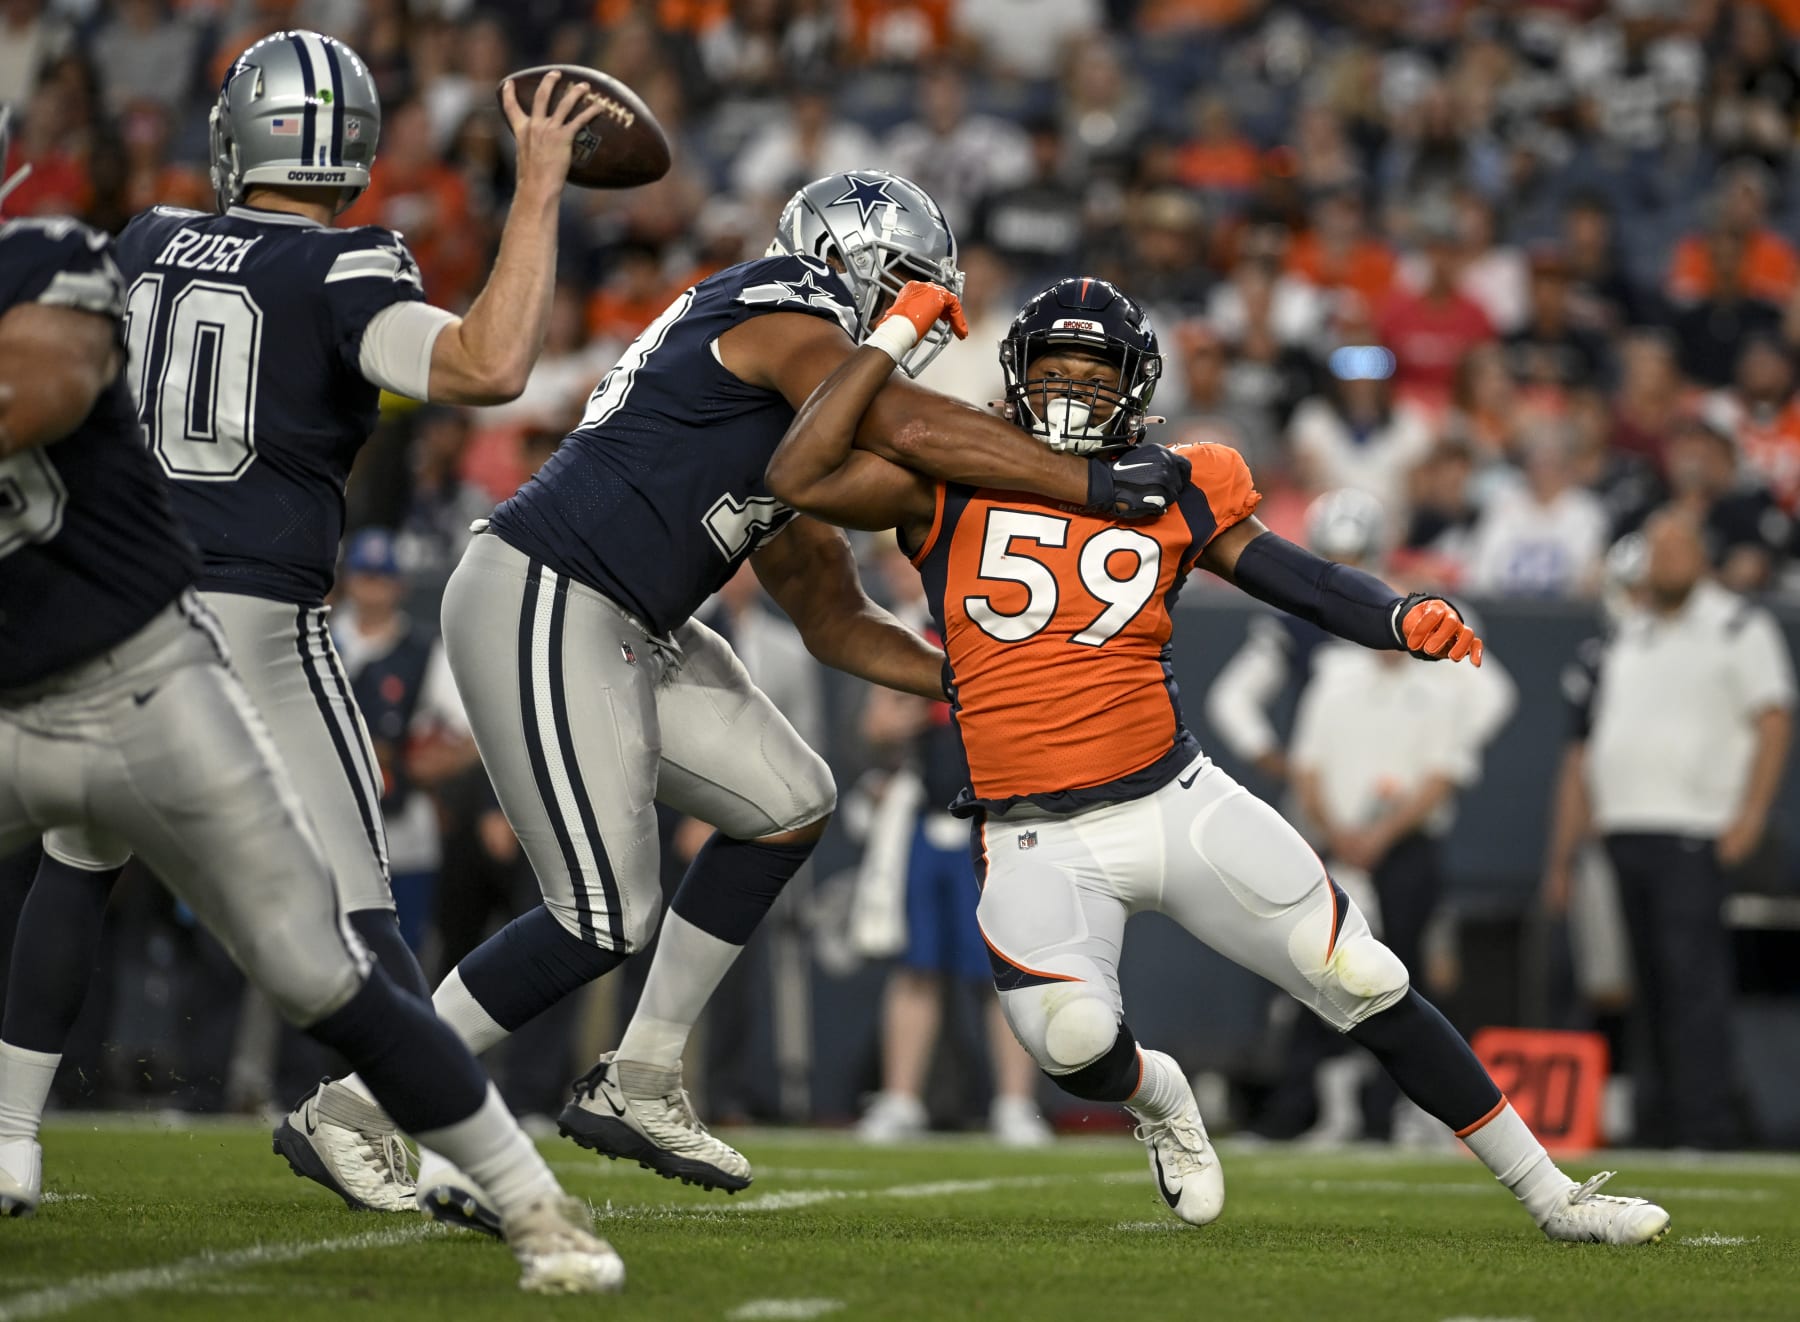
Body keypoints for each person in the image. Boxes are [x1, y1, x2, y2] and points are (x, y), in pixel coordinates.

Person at [318, 170, 1188, 1230]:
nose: (922, 317)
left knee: (787, 797)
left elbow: (834, 617)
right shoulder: (784, 302)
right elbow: (912, 428)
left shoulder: (796, 427)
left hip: (627, 618)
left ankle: (642, 1073)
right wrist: (1088, 484)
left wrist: (970, 675)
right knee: (599, 912)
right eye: (914, 290)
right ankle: (357, 1106)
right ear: (862, 266)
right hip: (551, 585)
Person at [765, 272, 1670, 1244]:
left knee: (1364, 976)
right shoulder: (947, 477)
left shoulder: (1177, 482)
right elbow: (799, 474)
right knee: (1072, 1046)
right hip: (1034, 837)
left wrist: (1397, 612)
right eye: (1055, 368)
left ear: (1138, 387)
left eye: (1095, 371)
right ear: (1014, 379)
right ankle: (1161, 1098)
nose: (1072, 389)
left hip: (1176, 802)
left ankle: (1556, 1196)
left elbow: (1302, 579)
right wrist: (895, 335)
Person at [0, 31, 610, 1216]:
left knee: (78, 864)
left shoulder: (147, 241)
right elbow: (488, 366)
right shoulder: (345, 268)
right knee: (360, 902)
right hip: (254, 617)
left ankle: (8, 1139)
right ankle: (416, 1135)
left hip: (116, 608)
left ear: (241, 134)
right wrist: (537, 189)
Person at [1553, 507, 1794, 1149]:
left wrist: (1749, 818)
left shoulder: (1739, 625)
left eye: (1677, 551)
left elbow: (1773, 722)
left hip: (1693, 828)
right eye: (1656, 553)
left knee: (1693, 982)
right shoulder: (1630, 633)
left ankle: (1704, 1123)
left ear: (1701, 557)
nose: (1665, 563)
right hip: (1626, 829)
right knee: (1647, 987)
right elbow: (1596, 741)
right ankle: (1659, 1119)